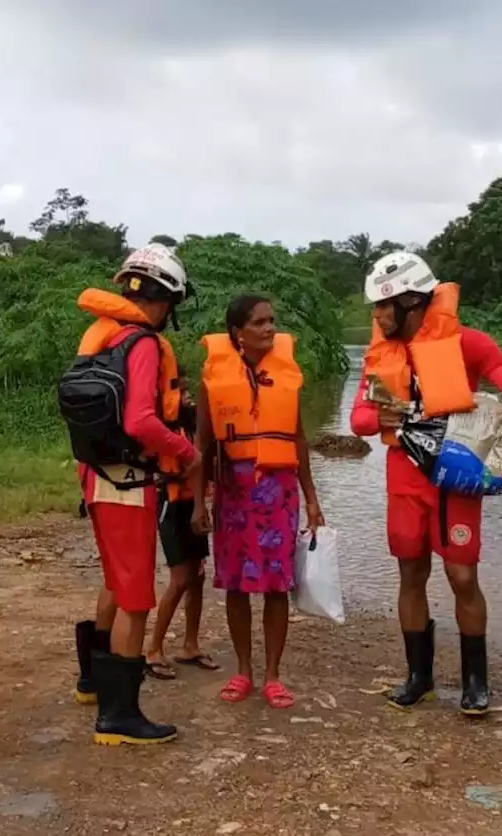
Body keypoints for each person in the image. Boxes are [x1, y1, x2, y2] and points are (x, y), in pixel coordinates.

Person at [350, 251, 502, 715]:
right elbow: (359, 420)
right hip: (404, 477)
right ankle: (418, 678)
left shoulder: (469, 344)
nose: (377, 315)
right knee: (410, 573)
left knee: (462, 574)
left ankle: (474, 683)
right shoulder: (381, 356)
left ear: (410, 301)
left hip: (456, 475)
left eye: (384, 306)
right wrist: (377, 416)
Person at [66, 243, 198, 746]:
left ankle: (91, 685)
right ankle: (119, 716)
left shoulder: (104, 336)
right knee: (137, 598)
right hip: (128, 482)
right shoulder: (141, 344)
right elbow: (140, 420)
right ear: (166, 301)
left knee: (116, 583)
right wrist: (185, 453)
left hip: (96, 477)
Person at [190, 295, 325, 710]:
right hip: (233, 491)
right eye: (260, 323)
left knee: (276, 584)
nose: (270, 329)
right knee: (235, 583)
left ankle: (272, 676)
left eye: (272, 321)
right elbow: (202, 444)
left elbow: (298, 439)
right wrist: (199, 503)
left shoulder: (284, 375)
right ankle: (243, 671)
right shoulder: (214, 376)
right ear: (238, 332)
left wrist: (312, 497)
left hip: (278, 492)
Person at [144, 369, 219, 680]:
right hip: (171, 505)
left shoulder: (190, 425)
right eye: (181, 394)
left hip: (193, 503)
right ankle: (153, 649)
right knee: (180, 578)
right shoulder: (159, 427)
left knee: (198, 576)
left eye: (188, 393)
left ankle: (190, 645)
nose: (186, 399)